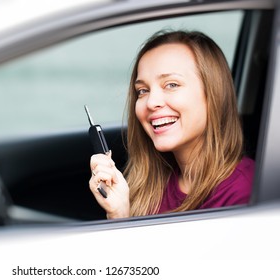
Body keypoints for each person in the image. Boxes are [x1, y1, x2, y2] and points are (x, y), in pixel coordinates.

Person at [89, 30, 255, 219]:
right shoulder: (153, 185)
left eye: (172, 85)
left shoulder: (244, 193)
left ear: (214, 94)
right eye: (142, 90)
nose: (151, 102)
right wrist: (119, 213)